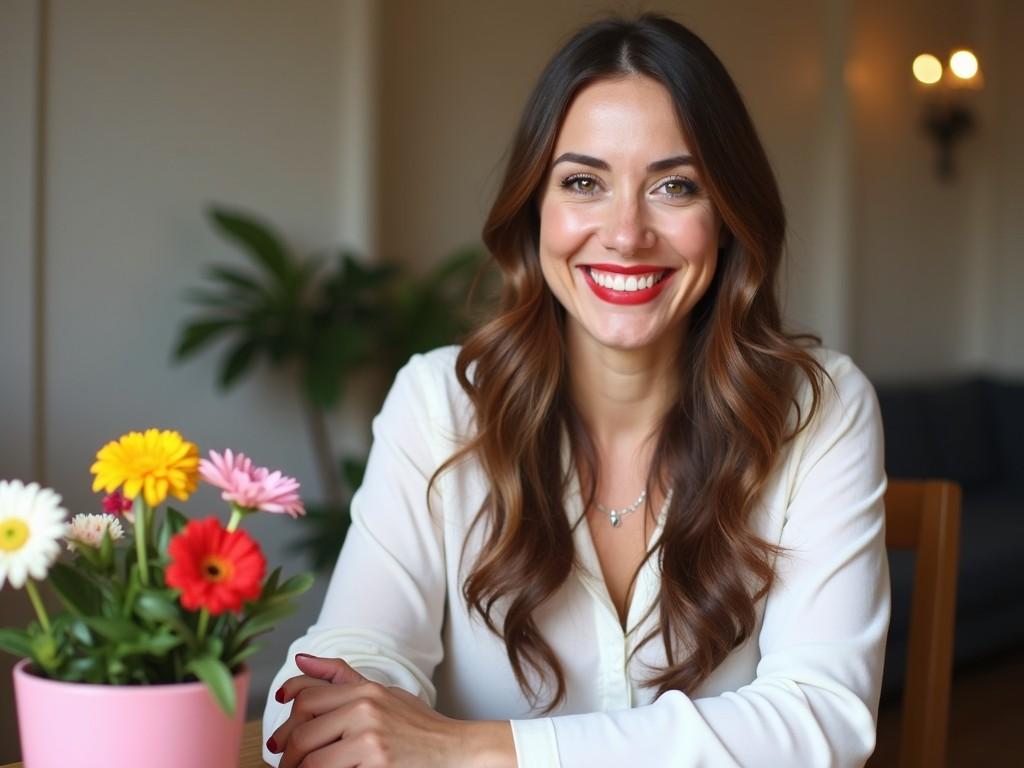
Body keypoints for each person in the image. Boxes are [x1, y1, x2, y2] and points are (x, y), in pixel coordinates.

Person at [262, 13, 889, 768]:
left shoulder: (819, 410)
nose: (626, 233)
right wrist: (365, 712)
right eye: (584, 182)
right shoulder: (439, 402)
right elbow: (335, 673)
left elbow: (823, 721)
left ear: (726, 218)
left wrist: (474, 751)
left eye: (676, 186)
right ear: (536, 210)